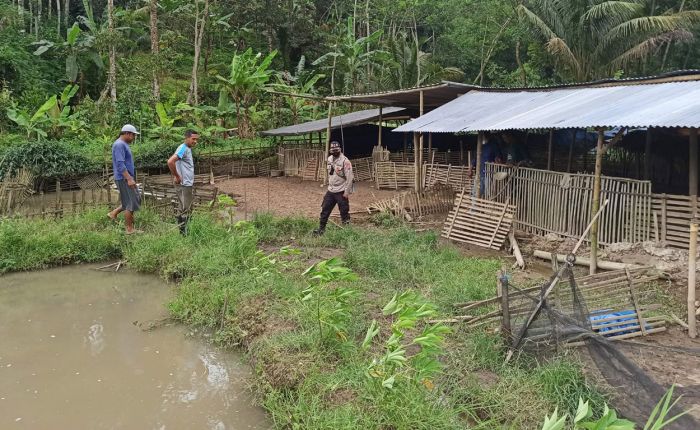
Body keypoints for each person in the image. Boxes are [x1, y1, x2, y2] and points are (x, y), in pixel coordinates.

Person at [313, 141, 353, 236]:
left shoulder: (345, 161)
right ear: (330, 150)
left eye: (336, 149)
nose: (334, 151)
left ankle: (347, 232)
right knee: (324, 209)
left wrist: (346, 192)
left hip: (341, 190)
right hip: (331, 190)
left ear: (340, 149)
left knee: (344, 211)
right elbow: (329, 172)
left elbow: (350, 177)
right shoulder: (329, 159)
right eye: (332, 150)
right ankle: (321, 230)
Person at [107, 124, 141, 234]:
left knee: (132, 200)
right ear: (127, 133)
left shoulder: (122, 144)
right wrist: (129, 179)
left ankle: (113, 213)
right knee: (130, 203)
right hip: (124, 178)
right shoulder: (119, 145)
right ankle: (129, 229)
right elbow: (120, 164)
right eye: (133, 135)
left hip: (126, 177)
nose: (134, 137)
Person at [167, 129, 199, 235]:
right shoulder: (183, 148)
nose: (195, 141)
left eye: (196, 139)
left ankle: (182, 233)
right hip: (184, 184)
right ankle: (186, 234)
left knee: (183, 208)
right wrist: (177, 176)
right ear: (187, 138)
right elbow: (170, 161)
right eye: (193, 139)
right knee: (186, 209)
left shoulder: (187, 149)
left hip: (186, 184)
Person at [469, 132, 503, 197]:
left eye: (484, 135)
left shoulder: (493, 145)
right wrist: (470, 169)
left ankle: (486, 207)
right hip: (479, 173)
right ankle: (474, 207)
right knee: (475, 194)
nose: (483, 137)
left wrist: (497, 161)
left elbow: (498, 158)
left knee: (488, 194)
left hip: (489, 174)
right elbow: (474, 159)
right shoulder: (480, 146)